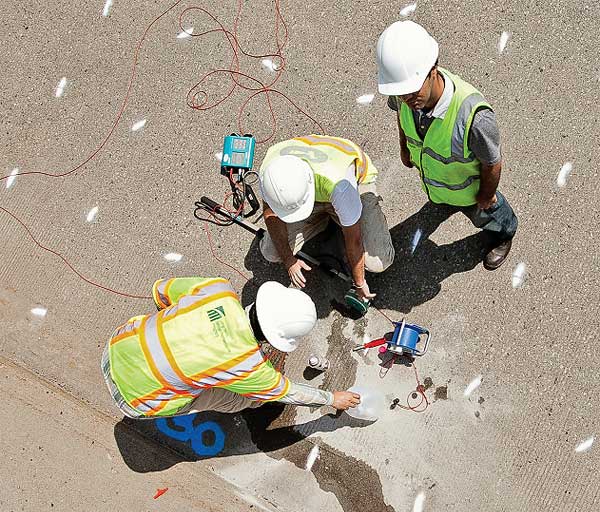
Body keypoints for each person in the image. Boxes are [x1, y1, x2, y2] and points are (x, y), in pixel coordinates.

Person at [102, 276, 359, 418]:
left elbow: (159, 291)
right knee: (250, 398)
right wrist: (331, 399)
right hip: (139, 402)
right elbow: (285, 392)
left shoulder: (219, 290)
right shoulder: (250, 367)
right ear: (274, 341)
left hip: (116, 346)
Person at [376, 21, 518, 269]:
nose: (407, 99)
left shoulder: (475, 117)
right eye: (401, 93)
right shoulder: (403, 93)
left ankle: (504, 232)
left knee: (488, 212)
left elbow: (492, 162)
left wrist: (485, 195)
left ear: (433, 69)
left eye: (412, 91)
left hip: (470, 192)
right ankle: (444, 199)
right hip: (440, 183)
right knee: (444, 198)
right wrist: (404, 147)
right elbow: (400, 114)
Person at [258, 135, 395, 302]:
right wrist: (289, 261)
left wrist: (359, 283)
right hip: (318, 193)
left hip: (354, 185)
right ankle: (327, 219)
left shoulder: (340, 184)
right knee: (271, 252)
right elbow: (270, 213)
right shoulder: (271, 174)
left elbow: (355, 240)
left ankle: (351, 215)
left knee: (378, 262)